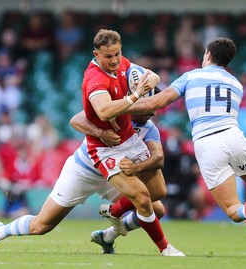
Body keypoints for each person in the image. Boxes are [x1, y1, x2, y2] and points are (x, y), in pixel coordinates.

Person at [126, 37, 246, 258]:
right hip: (234, 136)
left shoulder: (191, 76)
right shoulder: (237, 84)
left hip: (207, 142)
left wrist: (119, 108)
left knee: (232, 209)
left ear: (207, 54)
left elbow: (156, 103)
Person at [0, 111, 173, 255]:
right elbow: (76, 119)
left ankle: (107, 236)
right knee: (41, 225)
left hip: (114, 174)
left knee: (155, 209)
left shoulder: (149, 128)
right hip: (84, 170)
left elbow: (159, 158)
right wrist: (101, 133)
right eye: (149, 104)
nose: (154, 111)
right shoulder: (113, 109)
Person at [79, 29, 183, 256]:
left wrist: (149, 81)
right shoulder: (95, 79)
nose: (115, 60)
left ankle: (115, 212)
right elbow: (104, 111)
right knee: (143, 199)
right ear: (96, 55)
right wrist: (135, 95)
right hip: (105, 148)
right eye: (108, 56)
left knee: (158, 192)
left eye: (117, 53)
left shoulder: (122, 64)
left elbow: (153, 76)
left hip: (128, 138)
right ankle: (165, 248)